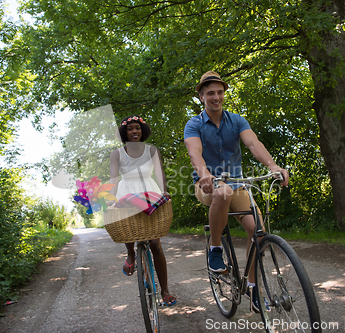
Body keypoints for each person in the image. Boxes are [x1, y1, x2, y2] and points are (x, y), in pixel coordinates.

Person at [183, 71, 289, 312]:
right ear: (201, 96)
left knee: (259, 233)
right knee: (222, 193)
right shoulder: (194, 124)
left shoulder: (237, 121)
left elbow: (253, 144)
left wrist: (273, 166)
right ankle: (216, 249)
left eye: (220, 92)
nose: (216, 97)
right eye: (210, 93)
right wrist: (204, 173)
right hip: (207, 185)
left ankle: (252, 288)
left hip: (237, 184)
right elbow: (194, 152)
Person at [109, 115, 177, 306]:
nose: (134, 131)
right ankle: (131, 253)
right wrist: (110, 199)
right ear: (125, 132)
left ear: (142, 130)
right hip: (127, 192)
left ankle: (165, 290)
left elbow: (159, 171)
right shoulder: (117, 154)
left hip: (150, 192)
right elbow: (114, 179)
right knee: (128, 229)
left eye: (137, 128)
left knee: (155, 243)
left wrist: (164, 191)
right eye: (130, 128)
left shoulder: (152, 150)